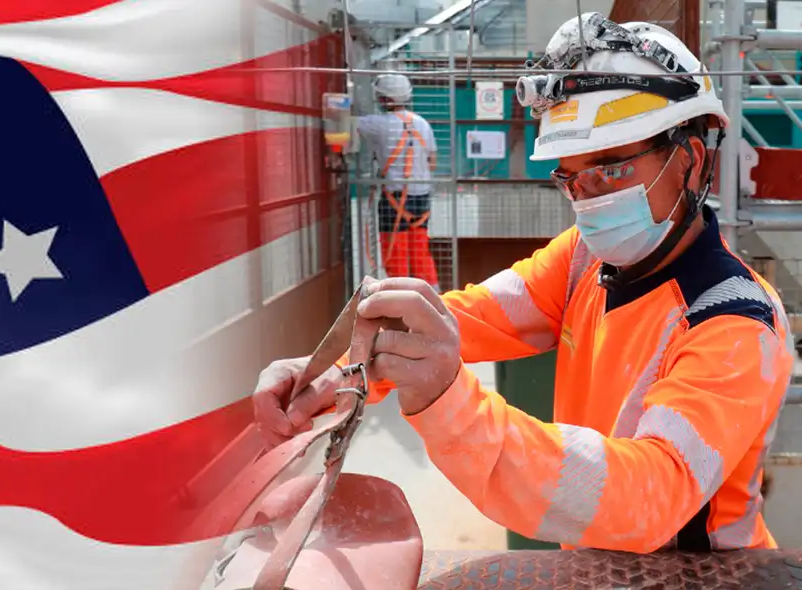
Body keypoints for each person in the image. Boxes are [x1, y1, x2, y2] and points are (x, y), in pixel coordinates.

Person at [253, 13, 796, 554]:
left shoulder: (734, 323)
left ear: (691, 160)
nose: (589, 199)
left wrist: (453, 406)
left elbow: (647, 499)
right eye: (571, 177)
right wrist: (329, 374)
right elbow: (475, 316)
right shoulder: (584, 261)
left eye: (608, 169)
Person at [355, 73, 441, 291]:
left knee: (395, 254)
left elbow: (346, 122)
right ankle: (435, 300)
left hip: (394, 198)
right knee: (420, 252)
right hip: (421, 198)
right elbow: (432, 161)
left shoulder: (377, 124)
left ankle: (399, 302)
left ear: (383, 99)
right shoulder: (422, 123)